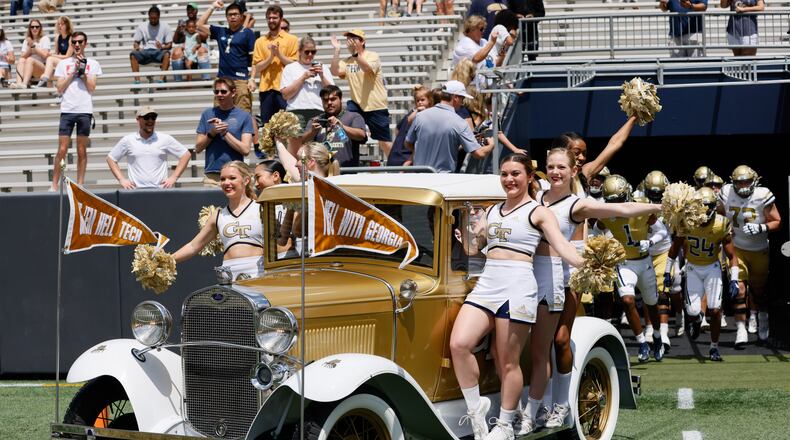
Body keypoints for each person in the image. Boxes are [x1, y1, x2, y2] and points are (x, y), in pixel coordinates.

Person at [450, 154, 585, 440]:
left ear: (529, 177)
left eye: (515, 174)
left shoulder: (538, 212)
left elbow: (562, 246)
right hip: (488, 282)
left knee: (508, 360)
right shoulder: (492, 210)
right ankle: (476, 413)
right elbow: (478, 249)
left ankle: (504, 425)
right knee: (459, 344)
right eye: (504, 174)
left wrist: (587, 264)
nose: (509, 179)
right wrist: (469, 239)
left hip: (518, 285)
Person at [527, 149, 661, 434]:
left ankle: (563, 405)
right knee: (537, 346)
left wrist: (656, 208)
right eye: (551, 166)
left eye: (561, 167)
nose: (555, 172)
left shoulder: (577, 205)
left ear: (572, 171)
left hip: (566, 276)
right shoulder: (535, 197)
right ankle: (540, 404)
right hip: (534, 276)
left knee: (561, 340)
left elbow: (621, 209)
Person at [595, 174, 668, 363]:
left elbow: (662, 231)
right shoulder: (605, 212)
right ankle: (642, 342)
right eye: (612, 201)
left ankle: (658, 337)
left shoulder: (642, 206)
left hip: (644, 262)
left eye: (619, 199)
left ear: (627, 195)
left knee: (652, 304)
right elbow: (597, 230)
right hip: (624, 263)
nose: (616, 204)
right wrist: (603, 245)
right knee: (627, 300)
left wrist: (650, 241)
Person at [666, 187, 739, 361]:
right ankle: (696, 320)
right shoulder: (686, 221)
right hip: (692, 268)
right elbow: (674, 250)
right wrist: (668, 271)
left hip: (712, 268)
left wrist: (735, 278)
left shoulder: (721, 223)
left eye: (707, 206)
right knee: (692, 312)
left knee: (715, 311)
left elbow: (732, 255)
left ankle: (714, 347)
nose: (704, 210)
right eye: (701, 206)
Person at [718, 165, 781, 346]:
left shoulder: (762, 195)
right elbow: (721, 215)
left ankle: (760, 315)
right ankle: (740, 329)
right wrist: (726, 231)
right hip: (737, 249)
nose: (744, 185)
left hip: (759, 249)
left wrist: (761, 227)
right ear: (733, 182)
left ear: (754, 181)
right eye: (739, 182)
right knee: (739, 290)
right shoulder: (726, 192)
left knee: (758, 290)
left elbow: (778, 221)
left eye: (747, 181)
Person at [173, 161, 264, 280]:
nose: (227, 183)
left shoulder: (260, 208)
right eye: (222, 179)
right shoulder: (218, 215)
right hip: (228, 275)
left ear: (246, 180)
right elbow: (193, 246)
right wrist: (167, 259)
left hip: (257, 272)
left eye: (232, 178)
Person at [329, 29, 393, 158]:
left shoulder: (372, 56)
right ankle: (350, 162)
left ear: (362, 41)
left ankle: (398, 169)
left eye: (354, 38)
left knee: (384, 142)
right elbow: (335, 72)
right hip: (356, 105)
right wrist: (337, 50)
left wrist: (355, 54)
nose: (350, 41)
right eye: (348, 38)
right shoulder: (347, 61)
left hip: (376, 105)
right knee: (347, 133)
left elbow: (367, 68)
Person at [51, 31, 101, 190]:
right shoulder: (63, 64)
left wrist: (83, 72)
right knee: (62, 149)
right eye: (74, 42)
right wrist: (73, 72)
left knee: (81, 150)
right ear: (71, 44)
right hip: (67, 110)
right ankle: (54, 185)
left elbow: (92, 88)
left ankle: (80, 185)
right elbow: (59, 88)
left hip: (84, 110)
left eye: (80, 42)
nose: (77, 45)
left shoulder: (92, 63)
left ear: (85, 43)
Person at [404, 80, 484, 172]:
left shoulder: (420, 116)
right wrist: (492, 143)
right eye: (462, 99)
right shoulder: (459, 122)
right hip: (443, 179)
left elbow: (408, 143)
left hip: (420, 178)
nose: (462, 103)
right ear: (455, 98)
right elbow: (479, 153)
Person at [106, 106, 191, 189]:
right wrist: (121, 179)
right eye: (146, 117)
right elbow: (111, 159)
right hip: (135, 192)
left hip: (160, 191)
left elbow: (185, 155)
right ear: (138, 119)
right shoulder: (128, 140)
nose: (150, 120)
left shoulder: (165, 138)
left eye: (153, 117)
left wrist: (174, 178)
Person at [198, 0, 257, 112]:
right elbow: (199, 24)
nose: (233, 17)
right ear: (226, 17)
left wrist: (252, 78)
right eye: (230, 14)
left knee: (243, 115)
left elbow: (255, 59)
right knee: (219, 115)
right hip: (222, 80)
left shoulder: (247, 33)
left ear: (241, 16)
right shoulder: (220, 31)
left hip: (240, 80)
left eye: (236, 14)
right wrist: (212, 7)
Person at [195, 78, 254, 186]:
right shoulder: (207, 114)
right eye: (216, 92)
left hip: (235, 174)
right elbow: (198, 148)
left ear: (233, 92)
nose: (219, 94)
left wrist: (224, 133)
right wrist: (212, 133)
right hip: (212, 176)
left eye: (223, 91)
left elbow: (245, 149)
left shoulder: (244, 116)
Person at [251, 6, 298, 127]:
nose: (271, 20)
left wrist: (279, 55)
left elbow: (295, 65)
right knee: (268, 127)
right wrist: (271, 56)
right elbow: (258, 67)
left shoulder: (292, 39)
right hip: (266, 89)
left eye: (275, 17)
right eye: (269, 18)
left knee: (288, 126)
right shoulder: (260, 41)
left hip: (285, 89)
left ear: (281, 18)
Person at [300, 85, 367, 167]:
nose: (329, 103)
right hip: (322, 172)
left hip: (346, 172)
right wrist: (312, 132)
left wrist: (342, 126)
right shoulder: (315, 120)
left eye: (333, 99)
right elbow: (303, 142)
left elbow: (361, 136)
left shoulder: (353, 117)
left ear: (340, 99)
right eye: (325, 100)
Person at [280, 36, 334, 130]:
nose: (310, 54)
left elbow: (332, 93)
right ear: (299, 51)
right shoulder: (290, 68)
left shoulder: (323, 68)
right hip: (296, 112)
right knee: (298, 144)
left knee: (317, 144)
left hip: (319, 112)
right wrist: (303, 78)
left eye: (313, 52)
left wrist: (322, 76)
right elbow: (285, 95)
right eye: (307, 52)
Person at [388, 85, 434, 166]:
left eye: (422, 100)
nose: (420, 102)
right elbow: (403, 126)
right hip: (404, 157)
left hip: (398, 157)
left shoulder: (414, 113)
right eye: (417, 101)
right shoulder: (417, 114)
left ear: (430, 101)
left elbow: (397, 129)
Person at [129, 6, 173, 84]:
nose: (152, 20)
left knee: (167, 54)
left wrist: (162, 47)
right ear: (148, 17)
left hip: (159, 51)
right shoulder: (142, 26)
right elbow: (136, 42)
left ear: (159, 17)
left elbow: (169, 45)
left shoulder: (166, 26)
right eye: (151, 18)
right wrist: (137, 47)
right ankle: (137, 81)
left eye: (155, 18)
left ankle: (161, 79)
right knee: (133, 54)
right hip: (145, 51)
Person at [452, 15, 498, 89]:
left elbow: (496, 63)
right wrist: (492, 42)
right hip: (472, 88)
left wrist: (503, 50)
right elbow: (476, 58)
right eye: (481, 29)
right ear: (472, 28)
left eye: (484, 29)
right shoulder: (464, 44)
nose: (483, 31)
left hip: (489, 86)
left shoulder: (484, 42)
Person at [34, 15, 72, 88]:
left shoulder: (71, 37)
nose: (60, 26)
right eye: (59, 24)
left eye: (62, 24)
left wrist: (52, 55)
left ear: (67, 25)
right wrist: (52, 55)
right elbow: (57, 53)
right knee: (44, 75)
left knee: (50, 59)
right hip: (61, 61)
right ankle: (52, 92)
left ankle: (46, 79)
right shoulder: (58, 37)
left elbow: (68, 56)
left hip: (69, 62)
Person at [13, 19, 50, 89]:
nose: (34, 28)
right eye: (32, 27)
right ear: (30, 28)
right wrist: (29, 49)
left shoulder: (45, 39)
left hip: (42, 68)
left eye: (37, 26)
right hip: (29, 68)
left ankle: (24, 83)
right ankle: (18, 83)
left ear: (40, 28)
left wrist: (33, 46)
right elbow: (22, 56)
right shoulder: (26, 40)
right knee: (21, 60)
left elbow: (45, 55)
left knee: (30, 59)